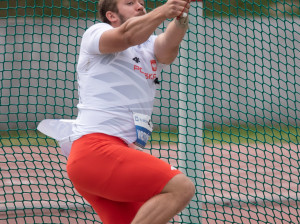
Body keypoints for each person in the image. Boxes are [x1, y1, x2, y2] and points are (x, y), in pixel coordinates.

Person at [39, 0, 195, 223]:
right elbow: (127, 36)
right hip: (96, 150)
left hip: (109, 156)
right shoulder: (97, 33)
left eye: (141, 2)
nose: (140, 6)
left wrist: (181, 17)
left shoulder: (148, 45)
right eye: (130, 3)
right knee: (181, 187)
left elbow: (167, 50)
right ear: (112, 15)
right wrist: (163, 11)